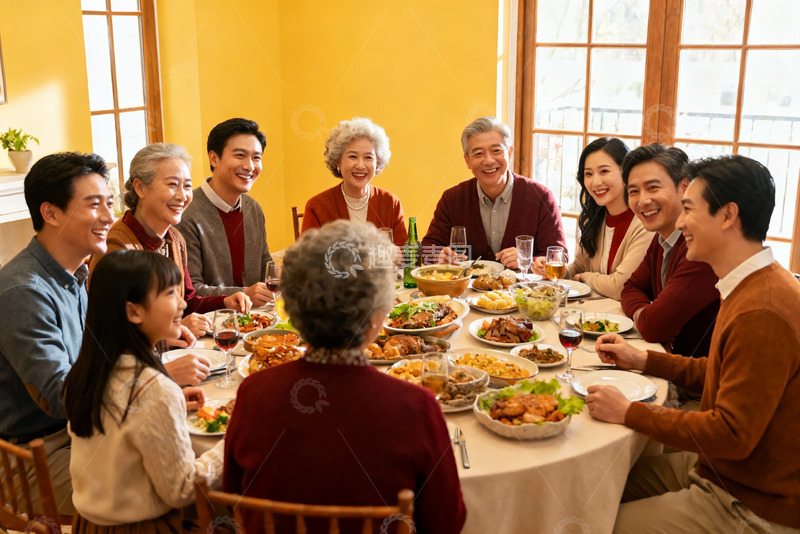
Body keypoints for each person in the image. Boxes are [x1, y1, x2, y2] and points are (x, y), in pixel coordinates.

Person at [585, 155, 800, 532]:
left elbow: (731, 435)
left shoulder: (762, 308)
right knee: (590, 486)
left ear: (728, 215)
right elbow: (720, 370)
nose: (680, 222)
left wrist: (629, 412)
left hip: (752, 501)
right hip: (720, 469)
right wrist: (643, 360)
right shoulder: (748, 282)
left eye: (689, 209)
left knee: (590, 524)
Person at [224, 221, 466, 533]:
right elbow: (446, 523)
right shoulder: (416, 406)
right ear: (379, 315)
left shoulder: (253, 392)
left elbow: (233, 499)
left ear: (293, 309)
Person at [65, 250, 224, 532]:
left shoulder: (89, 372)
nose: (182, 304)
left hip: (89, 525)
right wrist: (227, 445)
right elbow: (182, 489)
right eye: (170, 293)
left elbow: (120, 422)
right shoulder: (154, 391)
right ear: (133, 311)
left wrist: (173, 402)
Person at [0, 152, 113, 514]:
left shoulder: (74, 275)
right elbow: (62, 396)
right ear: (50, 213)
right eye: (94, 204)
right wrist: (147, 383)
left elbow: (94, 359)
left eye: (109, 203)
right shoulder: (24, 290)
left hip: (78, 435)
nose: (109, 217)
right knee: (162, 492)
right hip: (31, 458)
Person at [88, 143, 251, 382]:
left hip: (170, 361)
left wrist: (225, 301)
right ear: (140, 187)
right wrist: (169, 333)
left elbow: (189, 302)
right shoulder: (117, 248)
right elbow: (107, 336)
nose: (183, 196)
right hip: (133, 378)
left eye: (187, 186)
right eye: (172, 185)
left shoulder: (174, 238)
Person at [421, 116, 566, 267]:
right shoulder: (452, 199)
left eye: (496, 150)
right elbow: (426, 248)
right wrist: (439, 256)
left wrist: (527, 259)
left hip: (522, 282)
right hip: (466, 282)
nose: (489, 160)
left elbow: (559, 256)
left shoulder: (541, 197)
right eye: (478, 153)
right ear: (467, 160)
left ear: (509, 153)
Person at [620, 144, 719, 357]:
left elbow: (654, 327)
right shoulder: (662, 237)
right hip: (671, 362)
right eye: (634, 191)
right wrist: (644, 313)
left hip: (699, 373)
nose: (643, 201)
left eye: (653, 188)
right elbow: (631, 287)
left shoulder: (699, 247)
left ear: (684, 187)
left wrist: (647, 318)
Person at [532, 138, 652, 299]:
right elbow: (578, 267)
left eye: (604, 171)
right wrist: (552, 270)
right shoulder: (594, 220)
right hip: (593, 311)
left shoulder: (645, 224)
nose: (595, 182)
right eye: (588, 174)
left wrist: (586, 278)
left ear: (625, 172)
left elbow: (621, 286)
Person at [175, 118, 274, 307]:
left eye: (256, 157)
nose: (250, 166)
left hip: (254, 319)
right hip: (210, 321)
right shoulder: (186, 212)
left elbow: (265, 270)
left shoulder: (253, 209)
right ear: (214, 158)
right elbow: (191, 291)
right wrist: (243, 293)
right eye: (240, 155)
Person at [301, 117, 407, 246]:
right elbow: (308, 255)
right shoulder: (317, 206)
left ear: (377, 162)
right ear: (338, 161)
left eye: (368, 157)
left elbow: (403, 252)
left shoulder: (390, 203)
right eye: (353, 156)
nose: (360, 165)